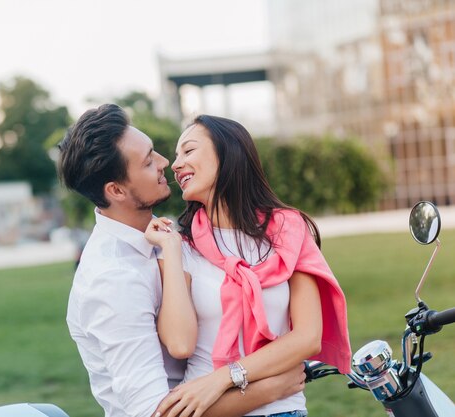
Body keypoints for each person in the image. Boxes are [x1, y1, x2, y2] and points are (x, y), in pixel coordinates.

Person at [58, 104, 306, 417]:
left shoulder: (171, 239)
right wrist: (267, 390)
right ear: (117, 190)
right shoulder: (114, 278)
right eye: (149, 161)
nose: (166, 164)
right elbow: (153, 413)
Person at [144, 115, 352, 417]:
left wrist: (222, 378)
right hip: (205, 409)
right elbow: (178, 343)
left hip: (280, 411)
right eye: (177, 156)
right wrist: (171, 251)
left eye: (188, 151)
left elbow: (307, 337)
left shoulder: (288, 230)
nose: (175, 165)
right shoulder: (181, 245)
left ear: (228, 152)